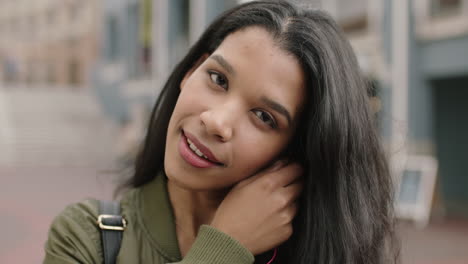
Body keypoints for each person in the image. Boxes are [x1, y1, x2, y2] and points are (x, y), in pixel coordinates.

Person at [43, 1, 398, 263]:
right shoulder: (86, 237)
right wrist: (224, 247)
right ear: (191, 71)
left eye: (263, 116)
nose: (216, 121)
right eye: (218, 79)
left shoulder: (324, 254)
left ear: (294, 152)